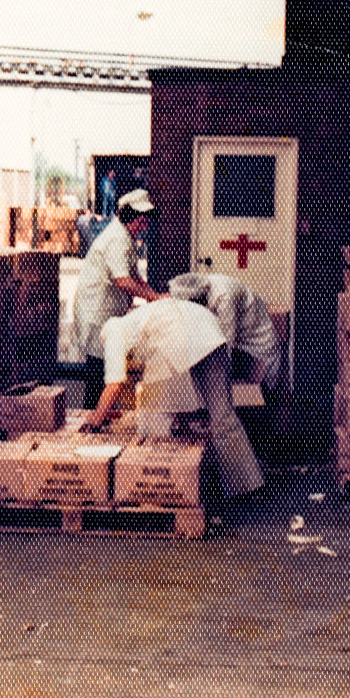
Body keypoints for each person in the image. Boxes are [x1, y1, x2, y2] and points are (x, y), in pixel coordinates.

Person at [81, 295, 264, 500]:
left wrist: (96, 419)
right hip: (211, 333)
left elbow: (114, 384)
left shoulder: (111, 332)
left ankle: (164, 492)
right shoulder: (141, 318)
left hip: (177, 341)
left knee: (153, 423)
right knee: (223, 417)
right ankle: (246, 487)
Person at [71, 188, 164, 404]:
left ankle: (102, 413)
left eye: (145, 221)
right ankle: (93, 417)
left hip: (105, 312)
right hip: (96, 313)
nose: (143, 226)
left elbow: (135, 276)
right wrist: (153, 298)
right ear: (129, 217)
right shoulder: (117, 239)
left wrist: (155, 296)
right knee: (100, 372)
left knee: (106, 369)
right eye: (140, 220)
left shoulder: (127, 237)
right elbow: (123, 281)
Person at [167, 272, 284, 393]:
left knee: (215, 381)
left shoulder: (225, 298)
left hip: (258, 354)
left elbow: (223, 348)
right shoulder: (198, 286)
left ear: (197, 300)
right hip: (242, 348)